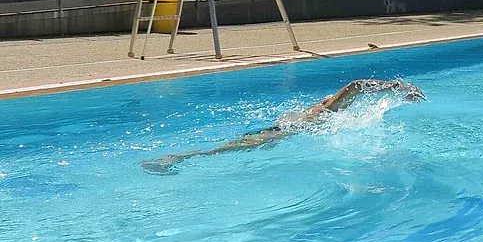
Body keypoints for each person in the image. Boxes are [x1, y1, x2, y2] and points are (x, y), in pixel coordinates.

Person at [141, 79, 425, 175]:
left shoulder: (320, 108)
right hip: (279, 132)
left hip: (280, 129)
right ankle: (175, 158)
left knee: (230, 149)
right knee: (222, 151)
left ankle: (180, 157)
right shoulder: (328, 109)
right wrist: (399, 87)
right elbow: (356, 86)